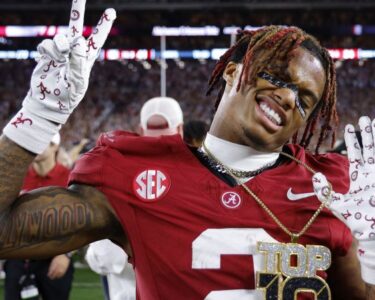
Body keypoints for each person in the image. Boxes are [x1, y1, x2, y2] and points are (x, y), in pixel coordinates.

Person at [0, 1, 374, 299]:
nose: (289, 97)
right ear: (231, 71)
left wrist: (371, 253)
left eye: (305, 100)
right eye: (276, 76)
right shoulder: (137, 173)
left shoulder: (330, 187)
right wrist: (36, 117)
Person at [85, 96, 184, 300]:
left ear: (140, 130)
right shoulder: (198, 176)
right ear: (181, 129)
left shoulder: (115, 176)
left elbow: (100, 258)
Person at [3, 134, 74, 300]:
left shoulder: (71, 177)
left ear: (55, 146)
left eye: (43, 142)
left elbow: (83, 222)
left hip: (55, 256)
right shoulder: (15, 177)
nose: (35, 147)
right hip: (18, 257)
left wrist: (66, 255)